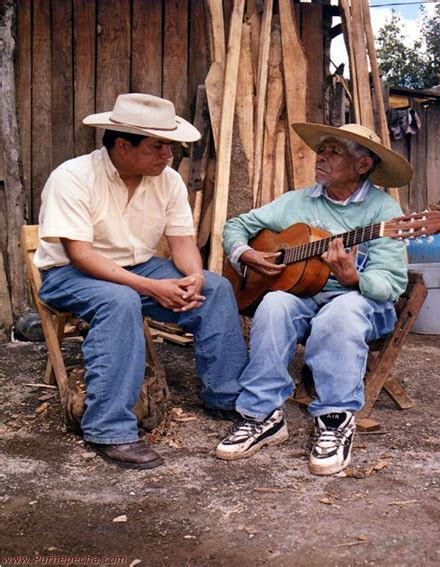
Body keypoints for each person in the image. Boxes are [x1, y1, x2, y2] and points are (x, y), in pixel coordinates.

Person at [34, 93, 247, 470]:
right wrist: (149, 288)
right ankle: (109, 429)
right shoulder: (73, 177)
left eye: (171, 146)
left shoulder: (167, 182)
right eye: (158, 146)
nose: (169, 155)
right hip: (70, 274)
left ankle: (225, 397)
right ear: (122, 144)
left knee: (215, 289)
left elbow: (182, 243)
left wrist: (194, 277)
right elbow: (80, 255)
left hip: (139, 267)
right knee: (119, 301)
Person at [216, 123, 413, 475]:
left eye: (334, 151)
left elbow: (392, 283)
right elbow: (237, 226)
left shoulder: (384, 213)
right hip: (305, 296)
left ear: (363, 165)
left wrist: (354, 277)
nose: (321, 156)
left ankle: (336, 420)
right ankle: (262, 415)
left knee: (341, 310)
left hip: (363, 305)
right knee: (274, 304)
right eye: (321, 150)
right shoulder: (297, 201)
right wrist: (245, 254)